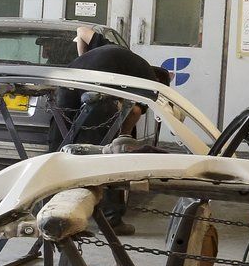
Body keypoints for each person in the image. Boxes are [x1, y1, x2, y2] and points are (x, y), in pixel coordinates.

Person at [51, 26, 174, 231]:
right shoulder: (149, 82)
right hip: (95, 101)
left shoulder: (115, 51)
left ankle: (49, 207)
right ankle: (112, 220)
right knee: (108, 159)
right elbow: (134, 112)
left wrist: (85, 59)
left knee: (60, 148)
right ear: (159, 79)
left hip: (66, 86)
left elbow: (81, 30)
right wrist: (123, 137)